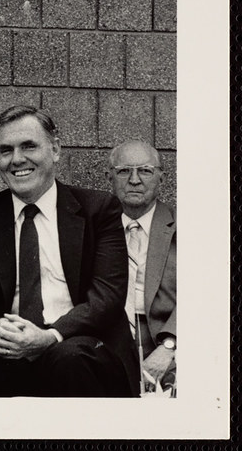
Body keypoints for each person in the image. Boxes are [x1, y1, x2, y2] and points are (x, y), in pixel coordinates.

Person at [0, 104, 138, 397]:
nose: (17, 159)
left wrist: (49, 336)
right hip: (9, 351)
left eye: (29, 146)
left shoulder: (98, 208)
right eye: (5, 150)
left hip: (76, 343)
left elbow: (107, 295)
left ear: (55, 150)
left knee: (68, 358)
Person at [108, 139, 176, 393]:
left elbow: (203, 295)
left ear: (161, 178)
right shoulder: (96, 226)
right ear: (109, 178)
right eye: (124, 171)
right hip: (112, 337)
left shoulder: (184, 227)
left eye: (145, 171)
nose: (134, 180)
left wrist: (170, 346)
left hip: (164, 336)